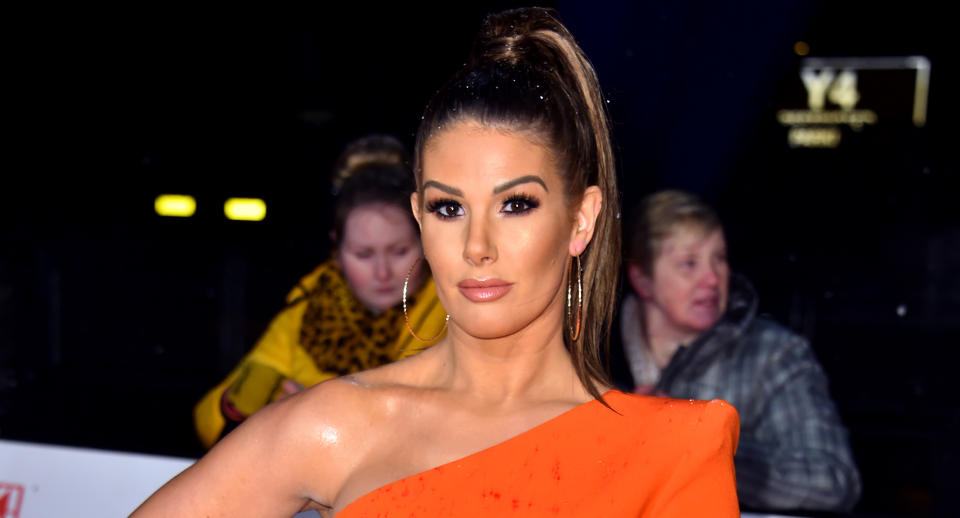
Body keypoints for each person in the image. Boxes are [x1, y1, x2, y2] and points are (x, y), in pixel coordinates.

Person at [132, 8, 739, 517]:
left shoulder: (667, 450)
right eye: (449, 209)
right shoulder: (341, 423)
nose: (477, 245)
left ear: (581, 220)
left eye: (516, 204)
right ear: (420, 218)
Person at [611, 189, 861, 512]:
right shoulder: (587, 355)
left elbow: (833, 480)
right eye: (689, 264)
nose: (713, 279)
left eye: (720, 258)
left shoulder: (772, 355)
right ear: (642, 280)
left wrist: (705, 450)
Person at [193, 134, 449, 449]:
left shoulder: (453, 313)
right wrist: (248, 410)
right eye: (364, 255)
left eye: (398, 251)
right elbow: (210, 422)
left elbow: (434, 431)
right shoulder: (306, 310)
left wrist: (316, 415)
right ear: (337, 254)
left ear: (425, 240)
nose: (382, 272)